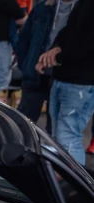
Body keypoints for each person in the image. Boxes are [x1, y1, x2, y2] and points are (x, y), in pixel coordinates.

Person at [37, 1, 94, 165]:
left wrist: (58, 55)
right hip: (65, 77)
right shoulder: (82, 4)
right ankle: (64, 186)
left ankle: (73, 188)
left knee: (67, 136)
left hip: (81, 82)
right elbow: (70, 30)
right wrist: (56, 49)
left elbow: (88, 44)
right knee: (58, 137)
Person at [15, 0, 77, 131]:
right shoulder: (42, 8)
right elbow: (24, 39)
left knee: (55, 131)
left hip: (63, 76)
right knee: (22, 126)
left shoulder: (82, 11)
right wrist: (26, 65)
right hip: (35, 75)